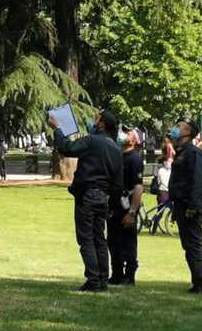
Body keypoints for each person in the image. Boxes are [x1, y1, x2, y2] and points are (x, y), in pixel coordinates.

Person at [50, 109, 123, 292]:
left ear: (102, 123)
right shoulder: (115, 147)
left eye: (96, 118)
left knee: (86, 238)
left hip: (88, 195)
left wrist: (58, 129)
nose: (93, 120)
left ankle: (93, 279)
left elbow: (67, 148)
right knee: (99, 238)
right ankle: (102, 279)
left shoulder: (92, 141)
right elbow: (118, 182)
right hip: (103, 197)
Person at [167, 118, 202, 294]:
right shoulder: (181, 152)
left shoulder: (193, 152)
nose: (174, 128)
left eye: (179, 126)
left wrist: (193, 206)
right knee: (188, 246)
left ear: (188, 132)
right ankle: (197, 282)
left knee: (194, 244)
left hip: (189, 206)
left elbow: (196, 182)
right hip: (181, 205)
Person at [108, 128, 144, 285]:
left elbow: (138, 187)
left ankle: (129, 276)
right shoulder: (117, 156)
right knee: (113, 241)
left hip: (126, 206)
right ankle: (116, 274)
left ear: (134, 140)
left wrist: (132, 212)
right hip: (113, 206)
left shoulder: (134, 159)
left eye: (128, 133)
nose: (123, 135)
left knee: (128, 242)